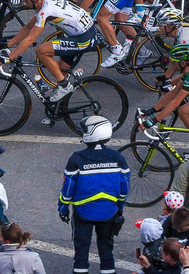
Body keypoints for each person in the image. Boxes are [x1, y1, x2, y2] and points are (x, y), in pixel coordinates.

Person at [60, 115, 129, 274]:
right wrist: (119, 207)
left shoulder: (77, 159)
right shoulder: (118, 158)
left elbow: (68, 189)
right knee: (106, 249)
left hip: (82, 212)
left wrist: (63, 208)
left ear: (91, 133)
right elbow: (124, 188)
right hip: (109, 212)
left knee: (81, 250)